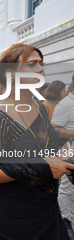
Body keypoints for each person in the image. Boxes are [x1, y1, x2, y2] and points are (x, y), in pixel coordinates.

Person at [0, 43, 72, 239]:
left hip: (47, 208)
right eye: (32, 64)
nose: (41, 68)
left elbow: (44, 148)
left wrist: (62, 155)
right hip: (15, 216)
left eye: (41, 63)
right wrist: (44, 168)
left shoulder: (39, 106)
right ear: (11, 73)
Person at [51, 74, 74, 239]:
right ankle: (66, 220)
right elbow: (54, 129)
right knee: (67, 187)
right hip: (69, 149)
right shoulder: (66, 104)